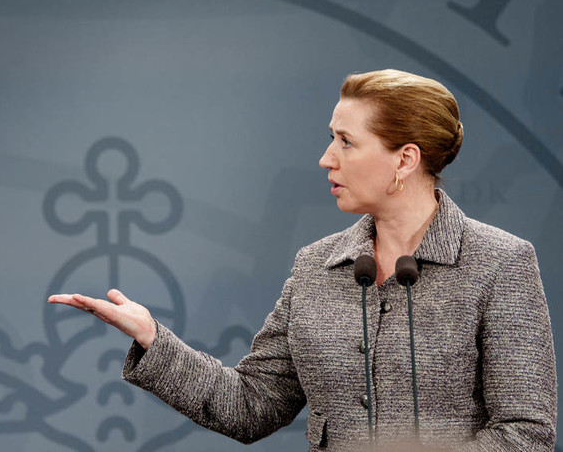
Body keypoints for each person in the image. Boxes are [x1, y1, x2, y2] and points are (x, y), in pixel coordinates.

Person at [49, 69, 556, 450]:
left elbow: (526, 432)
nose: (326, 158)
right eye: (332, 137)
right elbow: (251, 406)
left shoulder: (500, 264)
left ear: (405, 159)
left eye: (346, 142)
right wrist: (154, 339)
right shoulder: (316, 266)